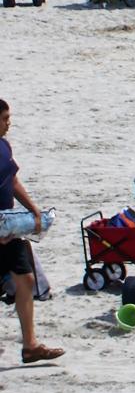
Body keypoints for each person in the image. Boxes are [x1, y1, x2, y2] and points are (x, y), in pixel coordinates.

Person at [0, 101, 60, 363]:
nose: (8, 123)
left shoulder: (4, 146)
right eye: (4, 118)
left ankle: (30, 346)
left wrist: (33, 209)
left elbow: (12, 180)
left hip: (8, 227)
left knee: (26, 280)